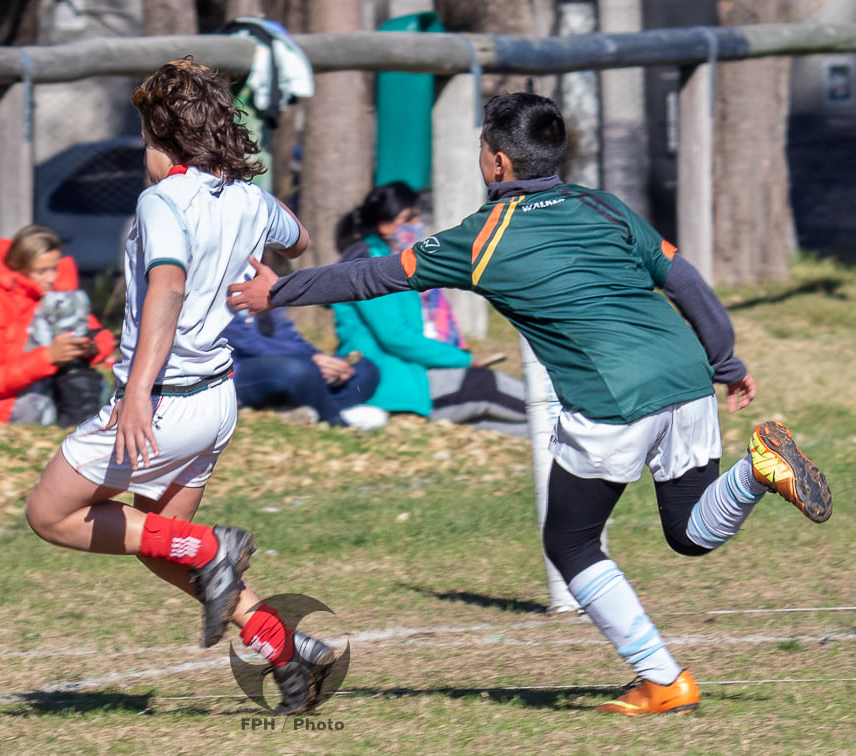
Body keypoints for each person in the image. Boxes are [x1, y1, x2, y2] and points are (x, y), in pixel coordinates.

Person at [228, 92, 833, 717]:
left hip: (612, 396)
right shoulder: (605, 205)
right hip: (685, 373)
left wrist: (279, 292)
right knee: (689, 532)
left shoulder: (482, 237)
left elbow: (374, 276)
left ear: (496, 162)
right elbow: (684, 278)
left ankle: (662, 680)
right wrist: (725, 361)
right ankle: (758, 470)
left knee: (569, 543)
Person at [23, 58, 336, 716]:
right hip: (216, 400)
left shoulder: (161, 200)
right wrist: (252, 220)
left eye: (143, 135)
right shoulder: (248, 199)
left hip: (163, 399)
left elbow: (166, 283)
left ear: (161, 136)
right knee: (161, 544)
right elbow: (300, 239)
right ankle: (289, 655)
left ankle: (213, 545)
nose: (141, 150)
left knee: (51, 514)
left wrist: (136, 393)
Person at [333, 181, 527, 436]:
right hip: (393, 382)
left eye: (416, 214)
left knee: (522, 424)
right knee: (488, 388)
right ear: (384, 225)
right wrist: (463, 360)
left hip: (405, 374)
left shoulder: (388, 257)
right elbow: (395, 336)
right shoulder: (370, 264)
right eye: (408, 217)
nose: (417, 222)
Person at [0, 224, 116, 427]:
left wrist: (90, 348)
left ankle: (83, 406)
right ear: (19, 268)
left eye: (54, 269)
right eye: (41, 271)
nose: (51, 278)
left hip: (44, 386)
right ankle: (82, 412)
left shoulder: (51, 294)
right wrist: (48, 357)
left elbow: (101, 335)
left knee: (67, 301)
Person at [222, 307, 387, 430]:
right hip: (237, 369)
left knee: (364, 368)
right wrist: (311, 361)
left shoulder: (262, 278)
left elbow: (291, 337)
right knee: (297, 370)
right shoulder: (218, 282)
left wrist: (323, 360)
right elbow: (244, 342)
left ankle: (303, 410)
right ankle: (334, 418)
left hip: (288, 364)